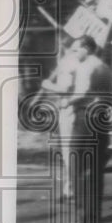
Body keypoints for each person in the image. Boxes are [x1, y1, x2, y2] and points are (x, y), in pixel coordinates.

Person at [68, 36, 112, 223]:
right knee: (95, 167)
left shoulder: (86, 66)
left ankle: (81, 213)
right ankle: (95, 213)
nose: (74, 53)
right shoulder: (105, 67)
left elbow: (82, 93)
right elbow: (110, 98)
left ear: (86, 48)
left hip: (85, 118)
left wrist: (66, 101)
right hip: (101, 118)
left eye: (76, 49)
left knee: (76, 166)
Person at [40, 40, 80, 201]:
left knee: (69, 150)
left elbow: (66, 89)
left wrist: (48, 85)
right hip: (66, 109)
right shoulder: (67, 61)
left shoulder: (72, 62)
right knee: (68, 150)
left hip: (70, 109)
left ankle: (71, 189)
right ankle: (69, 187)